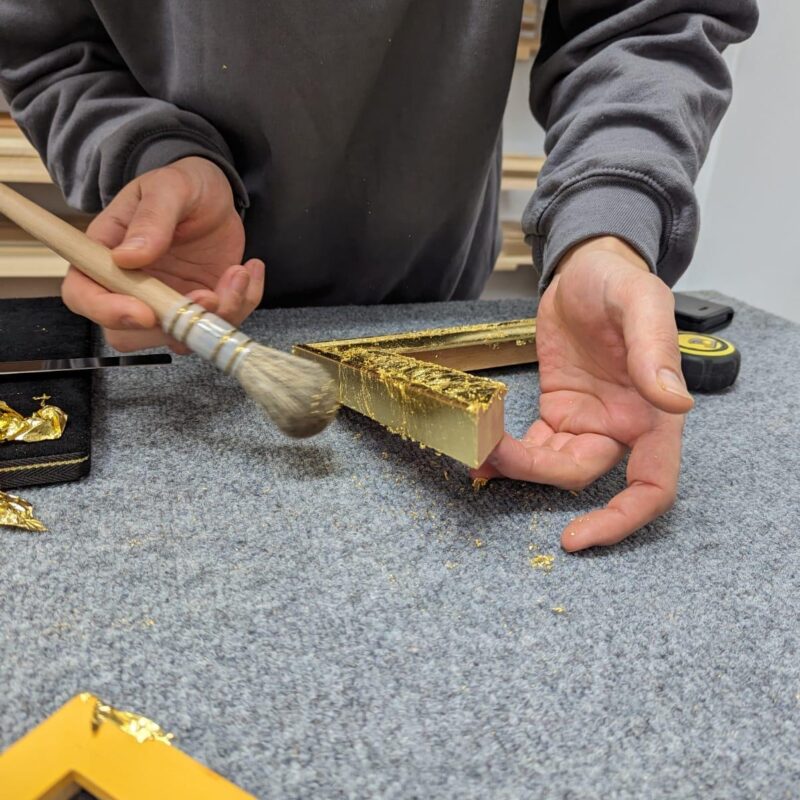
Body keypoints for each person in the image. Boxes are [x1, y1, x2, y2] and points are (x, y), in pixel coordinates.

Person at [0, 1, 758, 551]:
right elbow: (45, 44)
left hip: (433, 272)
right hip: (186, 278)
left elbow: (648, 16)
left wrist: (607, 226)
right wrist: (147, 152)